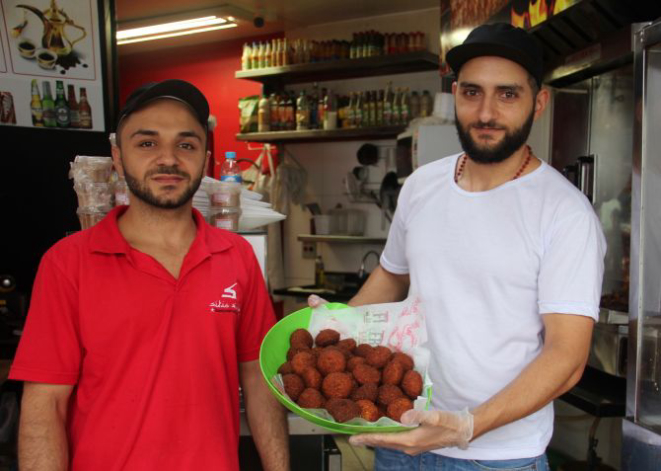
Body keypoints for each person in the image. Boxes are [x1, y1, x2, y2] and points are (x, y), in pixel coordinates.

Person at [310, 23, 606, 470]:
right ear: (455, 94)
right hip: (402, 433)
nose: (486, 112)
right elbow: (391, 273)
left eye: (507, 94)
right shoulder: (423, 185)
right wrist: (338, 326)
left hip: (497, 457)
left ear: (538, 102)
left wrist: (466, 425)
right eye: (472, 93)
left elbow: (567, 357)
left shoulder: (565, 213)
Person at [10, 79, 290, 471]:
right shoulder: (67, 262)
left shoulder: (236, 256)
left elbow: (259, 380)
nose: (168, 159)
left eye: (186, 144)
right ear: (118, 157)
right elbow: (45, 404)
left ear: (204, 157)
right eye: (147, 143)